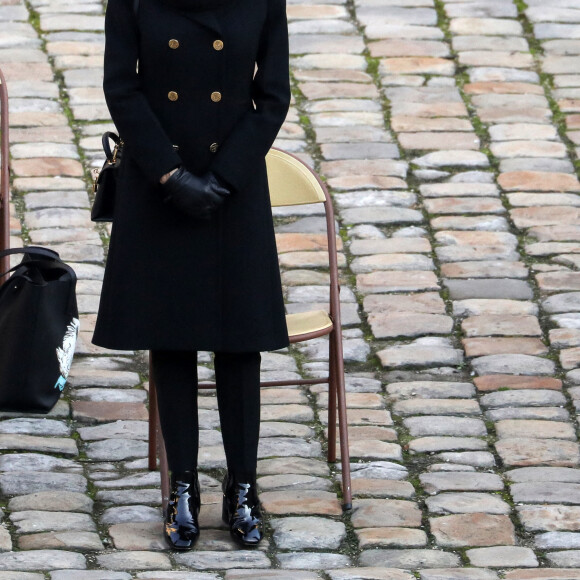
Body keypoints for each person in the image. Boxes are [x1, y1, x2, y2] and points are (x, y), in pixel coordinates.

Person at [93, 0, 291, 550]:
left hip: (235, 182)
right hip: (158, 181)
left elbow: (272, 95)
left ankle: (242, 487)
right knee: (171, 336)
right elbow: (121, 88)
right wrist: (170, 174)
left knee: (238, 340)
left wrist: (224, 178)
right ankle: (182, 487)